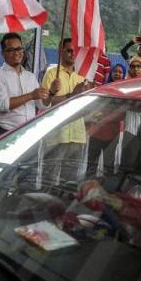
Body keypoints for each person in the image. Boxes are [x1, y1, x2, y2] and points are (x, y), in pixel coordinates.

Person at [40, 38, 91, 181]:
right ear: (60, 52)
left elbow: (85, 108)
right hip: (57, 134)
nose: (72, 54)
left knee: (70, 183)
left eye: (74, 51)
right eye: (69, 50)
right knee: (49, 180)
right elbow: (45, 103)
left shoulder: (81, 77)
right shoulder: (52, 74)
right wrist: (71, 95)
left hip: (77, 135)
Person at [0, 32, 49, 136]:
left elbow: (42, 105)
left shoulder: (30, 76)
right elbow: (3, 105)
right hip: (7, 133)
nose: (16, 53)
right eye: (11, 50)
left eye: (19, 49)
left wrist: (51, 93)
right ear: (2, 53)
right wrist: (31, 95)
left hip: (30, 131)